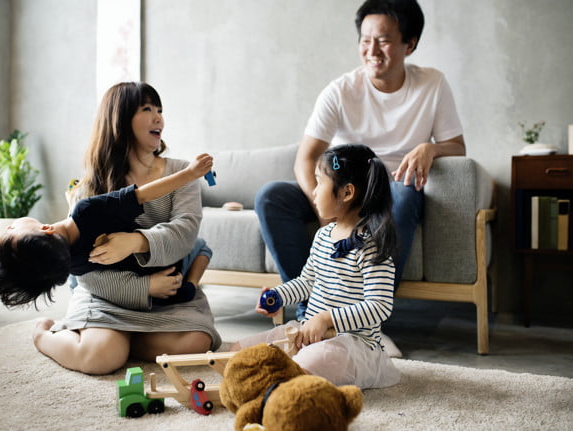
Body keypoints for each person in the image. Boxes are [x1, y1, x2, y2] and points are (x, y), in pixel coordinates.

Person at [255, 0, 465, 320]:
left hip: (392, 186)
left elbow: (457, 146)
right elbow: (306, 158)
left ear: (410, 44)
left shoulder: (432, 84)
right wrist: (327, 211)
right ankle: (309, 312)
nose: (372, 50)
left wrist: (431, 148)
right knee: (271, 196)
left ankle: (369, 320)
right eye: (365, 40)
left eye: (383, 40)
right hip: (340, 184)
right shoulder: (340, 91)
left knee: (405, 194)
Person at [32, 82, 221, 375]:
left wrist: (136, 242)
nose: (159, 117)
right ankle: (44, 335)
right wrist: (144, 287)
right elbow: (87, 273)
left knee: (198, 341)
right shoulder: (88, 190)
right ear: (120, 121)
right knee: (99, 358)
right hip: (108, 296)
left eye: (159, 110)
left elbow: (185, 233)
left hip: (164, 299)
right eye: (147, 109)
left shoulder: (182, 172)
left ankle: (122, 340)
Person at [234, 144, 400, 389]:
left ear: (346, 193)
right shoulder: (323, 236)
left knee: (298, 370)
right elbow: (307, 282)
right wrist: (279, 296)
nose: (313, 191)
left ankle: (279, 387)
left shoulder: (372, 244)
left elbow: (380, 306)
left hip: (353, 347)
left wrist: (326, 318)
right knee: (241, 352)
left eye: (319, 183)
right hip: (310, 335)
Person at [0, 152, 213, 309]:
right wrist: (189, 173)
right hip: (168, 263)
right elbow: (144, 194)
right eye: (11, 230)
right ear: (47, 228)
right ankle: (191, 283)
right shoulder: (87, 210)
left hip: (153, 293)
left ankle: (185, 287)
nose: (10, 225)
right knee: (202, 247)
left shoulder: (72, 265)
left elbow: (75, 234)